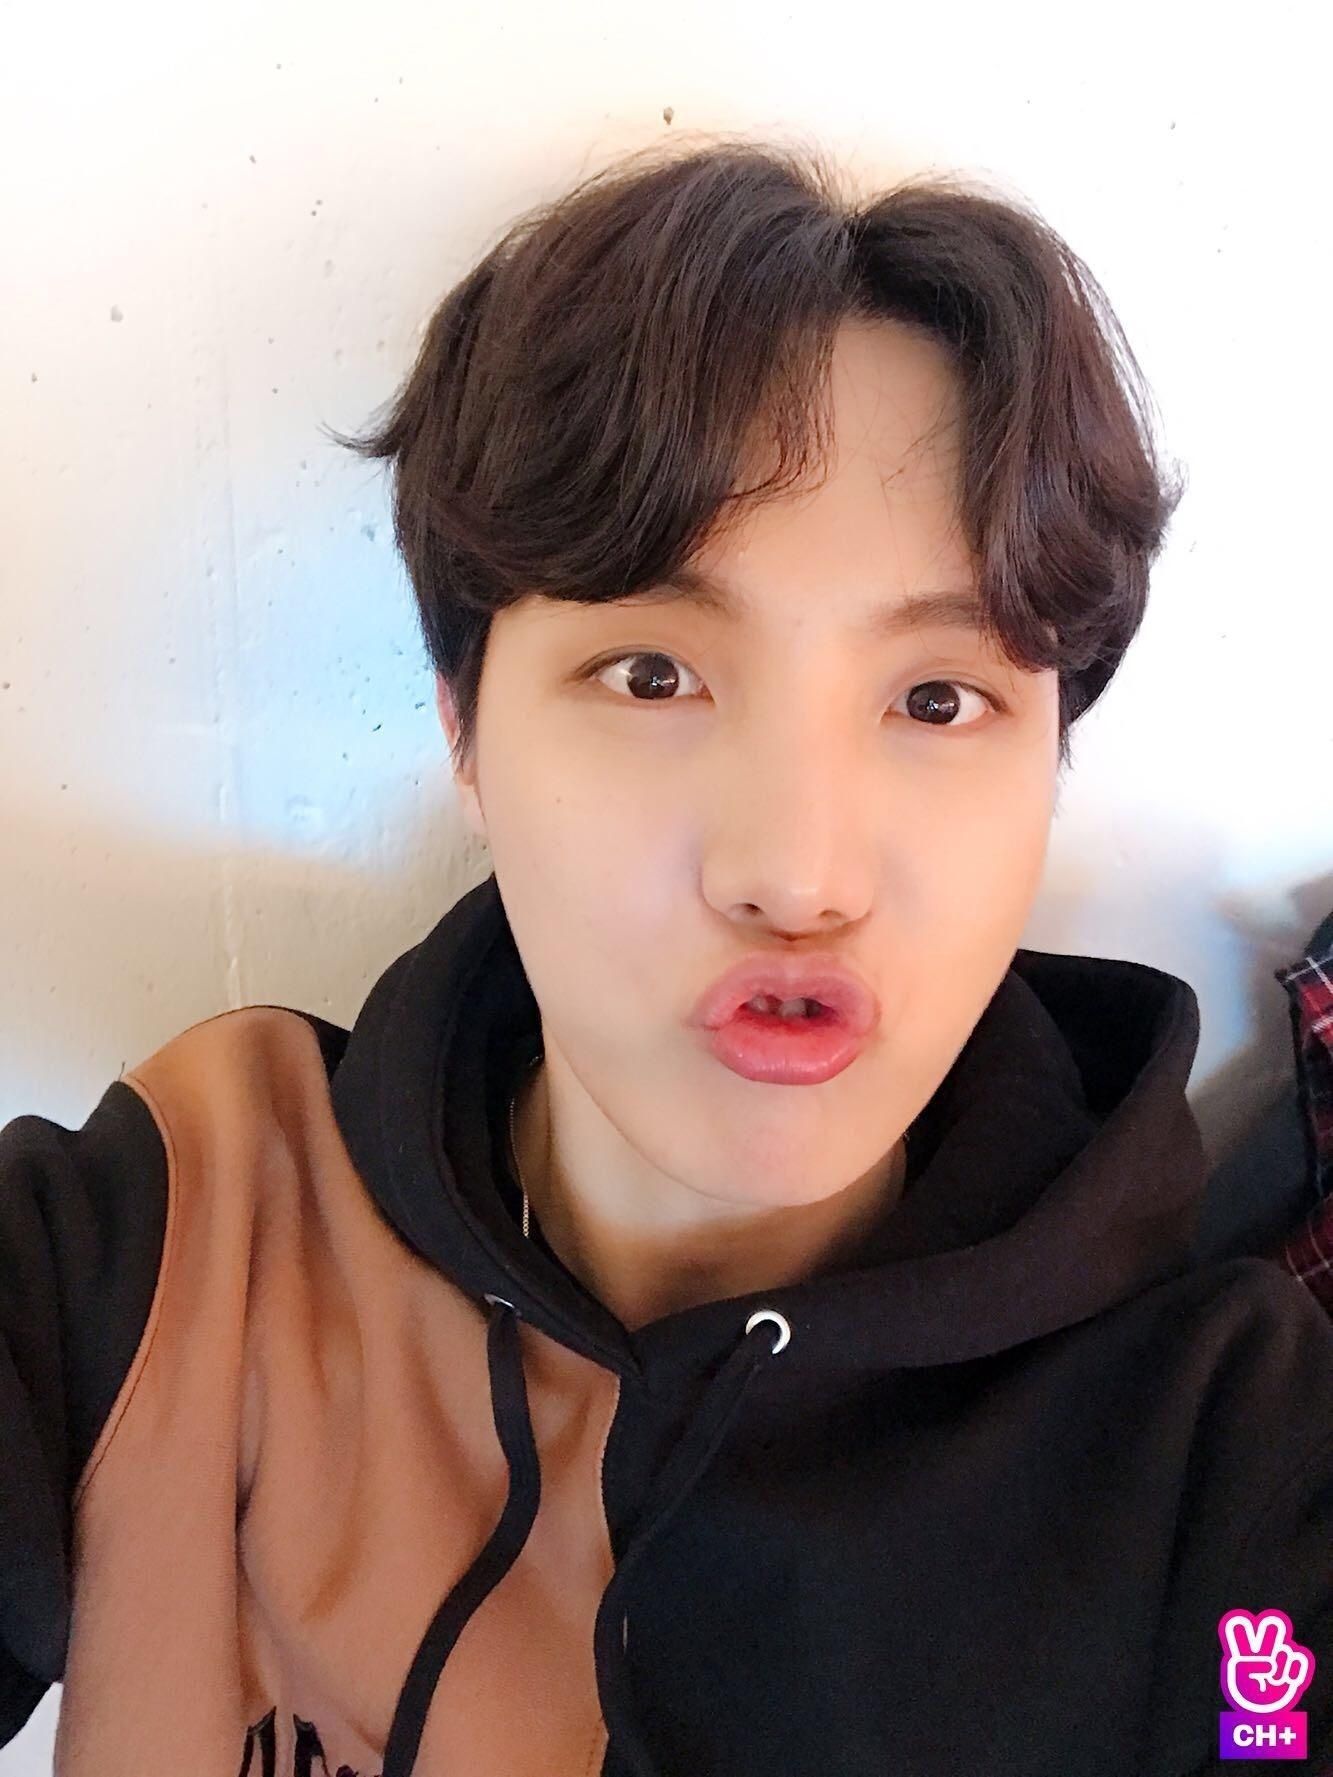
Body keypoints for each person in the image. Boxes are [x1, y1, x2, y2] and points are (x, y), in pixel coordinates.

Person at [2, 136, 1330, 1777]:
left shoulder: (1231, 1465)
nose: (796, 875)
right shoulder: (172, 1246)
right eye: (650, 674)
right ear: (464, 727)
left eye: (936, 699)